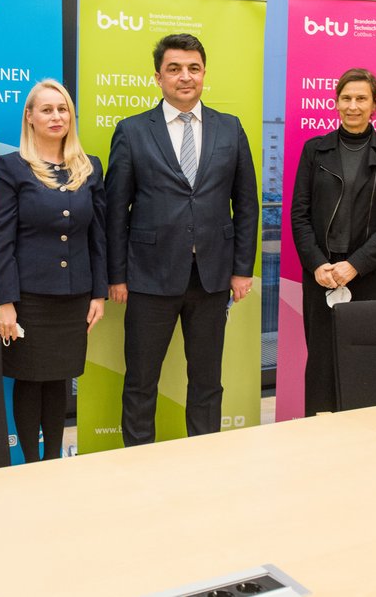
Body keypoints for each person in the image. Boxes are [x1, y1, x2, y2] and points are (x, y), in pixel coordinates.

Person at [106, 33, 259, 446]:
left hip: (212, 277)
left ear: (204, 74)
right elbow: (115, 209)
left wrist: (243, 269)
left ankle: (204, 461)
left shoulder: (231, 129)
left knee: (207, 381)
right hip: (148, 277)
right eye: (174, 69)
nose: (184, 77)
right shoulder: (133, 131)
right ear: (158, 77)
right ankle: (140, 463)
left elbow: (246, 204)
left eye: (193, 68)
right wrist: (116, 275)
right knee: (141, 381)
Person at [0, 79, 106, 462]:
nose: (56, 116)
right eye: (47, 109)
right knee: (30, 379)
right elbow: (1, 240)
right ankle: (31, 465)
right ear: (30, 117)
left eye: (63, 109)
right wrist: (6, 301)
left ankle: (54, 461)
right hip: (29, 299)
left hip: (75, 297)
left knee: (59, 379)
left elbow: (98, 237)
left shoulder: (89, 168)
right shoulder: (11, 168)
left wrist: (98, 293)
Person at [290, 67, 376, 416]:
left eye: (361, 99)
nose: (353, 106)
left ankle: (363, 438)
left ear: (375, 106)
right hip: (322, 276)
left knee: (365, 361)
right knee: (322, 363)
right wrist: (316, 264)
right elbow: (299, 214)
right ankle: (318, 435)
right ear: (336, 103)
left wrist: (355, 265)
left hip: (367, 275)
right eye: (346, 98)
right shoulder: (315, 150)